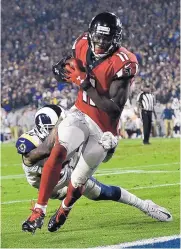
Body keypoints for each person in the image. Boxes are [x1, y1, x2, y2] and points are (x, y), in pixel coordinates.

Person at [22, 12, 171, 233]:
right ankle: (39, 210)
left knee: (79, 180)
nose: (100, 43)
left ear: (116, 39)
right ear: (91, 34)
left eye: (106, 39)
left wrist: (85, 84)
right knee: (59, 149)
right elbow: (67, 68)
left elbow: (114, 109)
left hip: (104, 128)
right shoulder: (82, 44)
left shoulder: (123, 62)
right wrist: (59, 71)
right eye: (97, 38)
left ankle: (64, 209)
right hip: (80, 113)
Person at [17, 105, 172, 233]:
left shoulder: (73, 131)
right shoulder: (30, 141)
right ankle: (58, 209)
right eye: (58, 127)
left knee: (105, 192)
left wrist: (109, 148)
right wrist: (60, 128)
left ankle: (146, 206)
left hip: (69, 172)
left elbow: (104, 160)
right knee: (73, 178)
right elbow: (36, 154)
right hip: (50, 185)